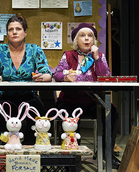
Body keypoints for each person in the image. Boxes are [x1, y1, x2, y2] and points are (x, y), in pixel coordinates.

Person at [53, 23, 120, 169]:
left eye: (90, 36)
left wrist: (97, 59)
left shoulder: (99, 56)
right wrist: (65, 78)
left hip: (92, 101)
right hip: (71, 100)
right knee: (68, 114)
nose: (86, 39)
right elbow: (57, 73)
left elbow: (105, 77)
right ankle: (72, 156)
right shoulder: (68, 55)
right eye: (82, 36)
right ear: (76, 40)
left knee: (112, 112)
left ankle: (107, 153)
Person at [0, 14, 52, 144]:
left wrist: (42, 77)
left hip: (30, 97)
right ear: (7, 33)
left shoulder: (35, 49)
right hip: (6, 97)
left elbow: (48, 75)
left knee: (38, 112)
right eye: (10, 29)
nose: (14, 32)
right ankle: (3, 148)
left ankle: (31, 148)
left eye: (18, 29)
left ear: (25, 33)